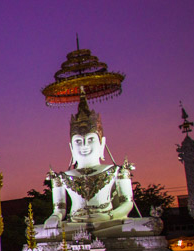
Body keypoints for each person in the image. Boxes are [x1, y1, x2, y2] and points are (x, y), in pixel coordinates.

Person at [44, 96, 133, 230]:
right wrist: (54, 218)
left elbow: (127, 203)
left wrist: (108, 216)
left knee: (149, 225)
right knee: (37, 231)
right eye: (78, 141)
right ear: (71, 147)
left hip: (107, 222)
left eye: (90, 139)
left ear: (102, 143)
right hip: (76, 224)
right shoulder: (61, 177)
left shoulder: (116, 171)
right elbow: (59, 210)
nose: (84, 145)